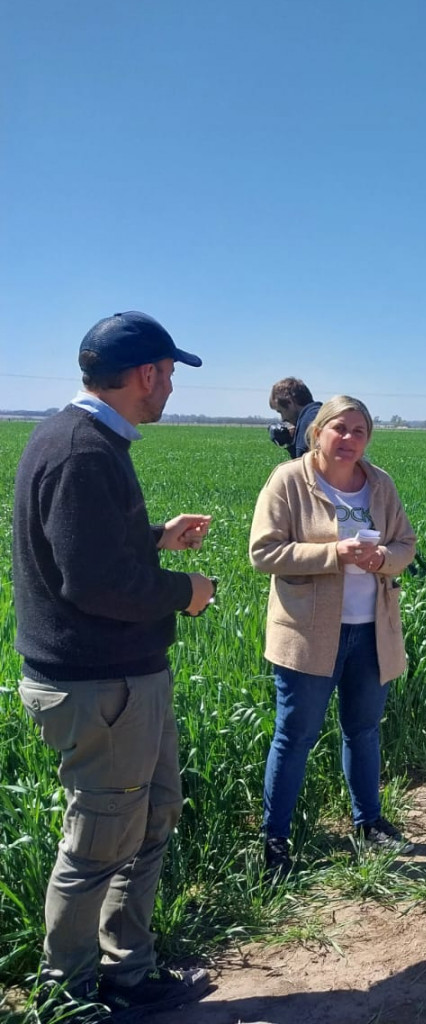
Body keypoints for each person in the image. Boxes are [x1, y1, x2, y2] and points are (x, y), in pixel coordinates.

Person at [12, 311, 216, 1019]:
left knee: (150, 818)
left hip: (126, 675)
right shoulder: (81, 450)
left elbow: (91, 551)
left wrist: (155, 538)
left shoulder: (91, 440)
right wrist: (186, 593)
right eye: (166, 374)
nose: (169, 388)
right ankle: (67, 993)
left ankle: (127, 970)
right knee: (99, 842)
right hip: (99, 684)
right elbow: (93, 584)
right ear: (144, 375)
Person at [249, 395, 418, 873]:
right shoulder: (289, 481)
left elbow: (406, 543)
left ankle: (369, 823)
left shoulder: (379, 484)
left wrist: (381, 558)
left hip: (371, 630)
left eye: (359, 431)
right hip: (307, 634)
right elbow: (263, 553)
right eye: (339, 429)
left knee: (363, 730)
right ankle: (275, 842)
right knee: (295, 735)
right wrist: (334, 555)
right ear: (316, 432)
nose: (349, 440)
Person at [268, 377, 323, 459]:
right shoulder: (321, 413)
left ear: (289, 402)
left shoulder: (308, 422)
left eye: (280, 411)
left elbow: (303, 468)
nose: (283, 419)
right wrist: (291, 442)